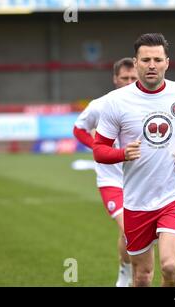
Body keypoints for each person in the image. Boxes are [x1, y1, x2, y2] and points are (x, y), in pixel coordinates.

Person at [93, 33, 175, 287]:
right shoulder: (115, 102)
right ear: (136, 62)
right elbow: (99, 149)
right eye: (146, 59)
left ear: (167, 63)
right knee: (142, 276)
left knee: (170, 266)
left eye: (157, 59)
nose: (152, 65)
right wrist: (122, 153)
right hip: (137, 200)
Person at [73, 57, 137, 287]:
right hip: (111, 180)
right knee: (129, 229)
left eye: (133, 77)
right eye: (124, 78)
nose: (129, 81)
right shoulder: (100, 105)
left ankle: (131, 271)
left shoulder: (149, 104)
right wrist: (98, 148)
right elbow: (79, 129)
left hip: (140, 180)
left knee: (135, 234)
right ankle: (125, 275)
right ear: (115, 79)